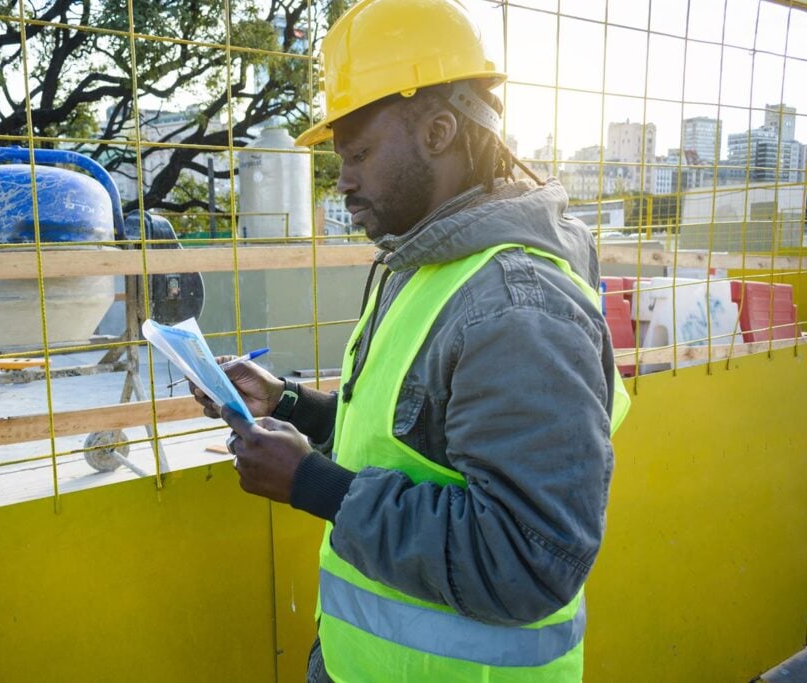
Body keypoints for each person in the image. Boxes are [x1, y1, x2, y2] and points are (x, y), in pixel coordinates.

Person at [192, 0, 629, 680]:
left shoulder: (516, 306)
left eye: (360, 152)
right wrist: (291, 405)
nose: (347, 184)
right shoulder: (420, 265)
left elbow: (529, 557)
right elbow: (404, 440)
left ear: (439, 130)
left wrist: (315, 484)